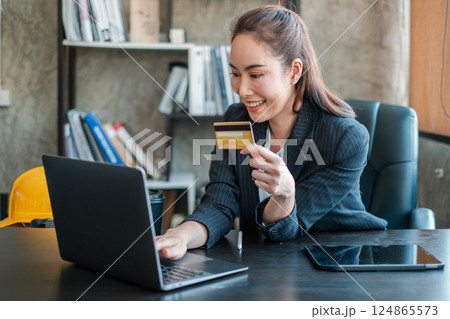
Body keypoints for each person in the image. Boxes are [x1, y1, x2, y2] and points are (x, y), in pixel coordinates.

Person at [156, 5, 387, 260]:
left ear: (294, 71)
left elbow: (289, 228)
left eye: (255, 74)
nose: (242, 90)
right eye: (235, 73)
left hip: (335, 259)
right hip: (264, 260)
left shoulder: (346, 138)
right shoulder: (236, 119)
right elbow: (219, 205)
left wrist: (285, 193)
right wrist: (181, 236)